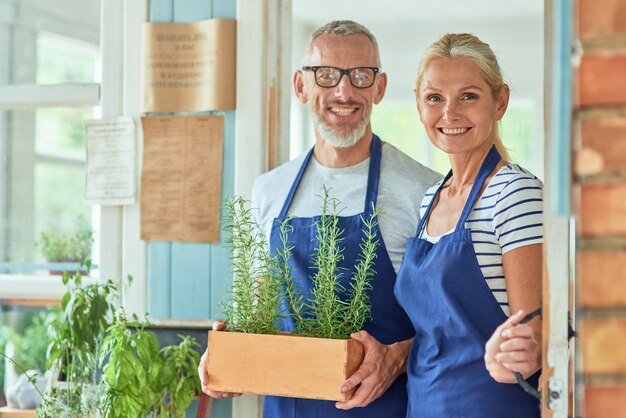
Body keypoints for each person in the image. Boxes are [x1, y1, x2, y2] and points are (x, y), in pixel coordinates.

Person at [198, 20, 441, 417]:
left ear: (379, 88)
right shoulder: (269, 189)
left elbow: (447, 323)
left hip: (383, 407)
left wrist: (396, 358)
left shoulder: (423, 189)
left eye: (361, 76)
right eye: (326, 75)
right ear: (301, 86)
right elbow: (262, 300)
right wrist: (228, 351)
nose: (344, 92)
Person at [393, 33, 543, 417]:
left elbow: (535, 330)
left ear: (501, 102)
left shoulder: (515, 192)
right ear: (418, 104)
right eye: (434, 98)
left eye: (469, 96)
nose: (449, 114)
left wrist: (520, 354)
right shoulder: (431, 200)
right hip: (423, 405)